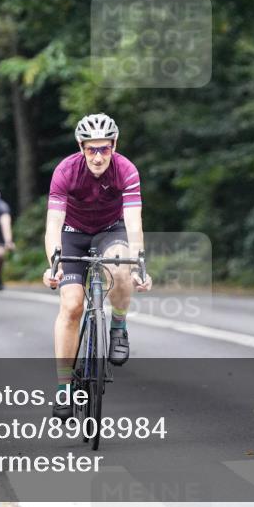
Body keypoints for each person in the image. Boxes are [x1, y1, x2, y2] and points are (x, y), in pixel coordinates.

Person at [42, 113, 152, 419]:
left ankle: (118, 326)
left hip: (111, 230)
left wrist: (139, 264)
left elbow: (133, 221)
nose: (99, 156)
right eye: (92, 149)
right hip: (73, 234)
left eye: (105, 148)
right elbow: (53, 224)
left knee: (120, 266)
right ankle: (64, 387)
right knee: (72, 305)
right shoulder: (66, 171)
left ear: (114, 145)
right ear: (81, 147)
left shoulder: (126, 170)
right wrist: (54, 263)